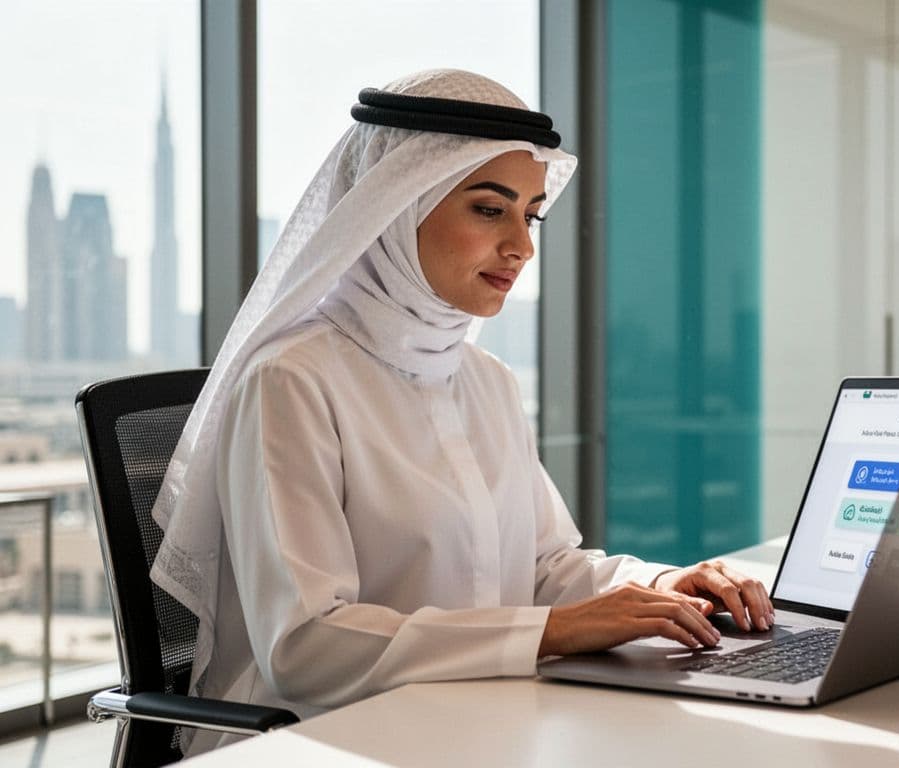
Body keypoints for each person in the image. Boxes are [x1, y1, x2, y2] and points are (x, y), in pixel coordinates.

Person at [149, 69, 772, 755]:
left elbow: (542, 565)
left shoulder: (487, 381)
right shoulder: (290, 381)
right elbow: (306, 646)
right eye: (488, 209)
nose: (522, 246)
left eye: (530, 214)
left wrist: (655, 586)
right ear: (393, 205)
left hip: (474, 719)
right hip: (318, 741)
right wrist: (556, 632)